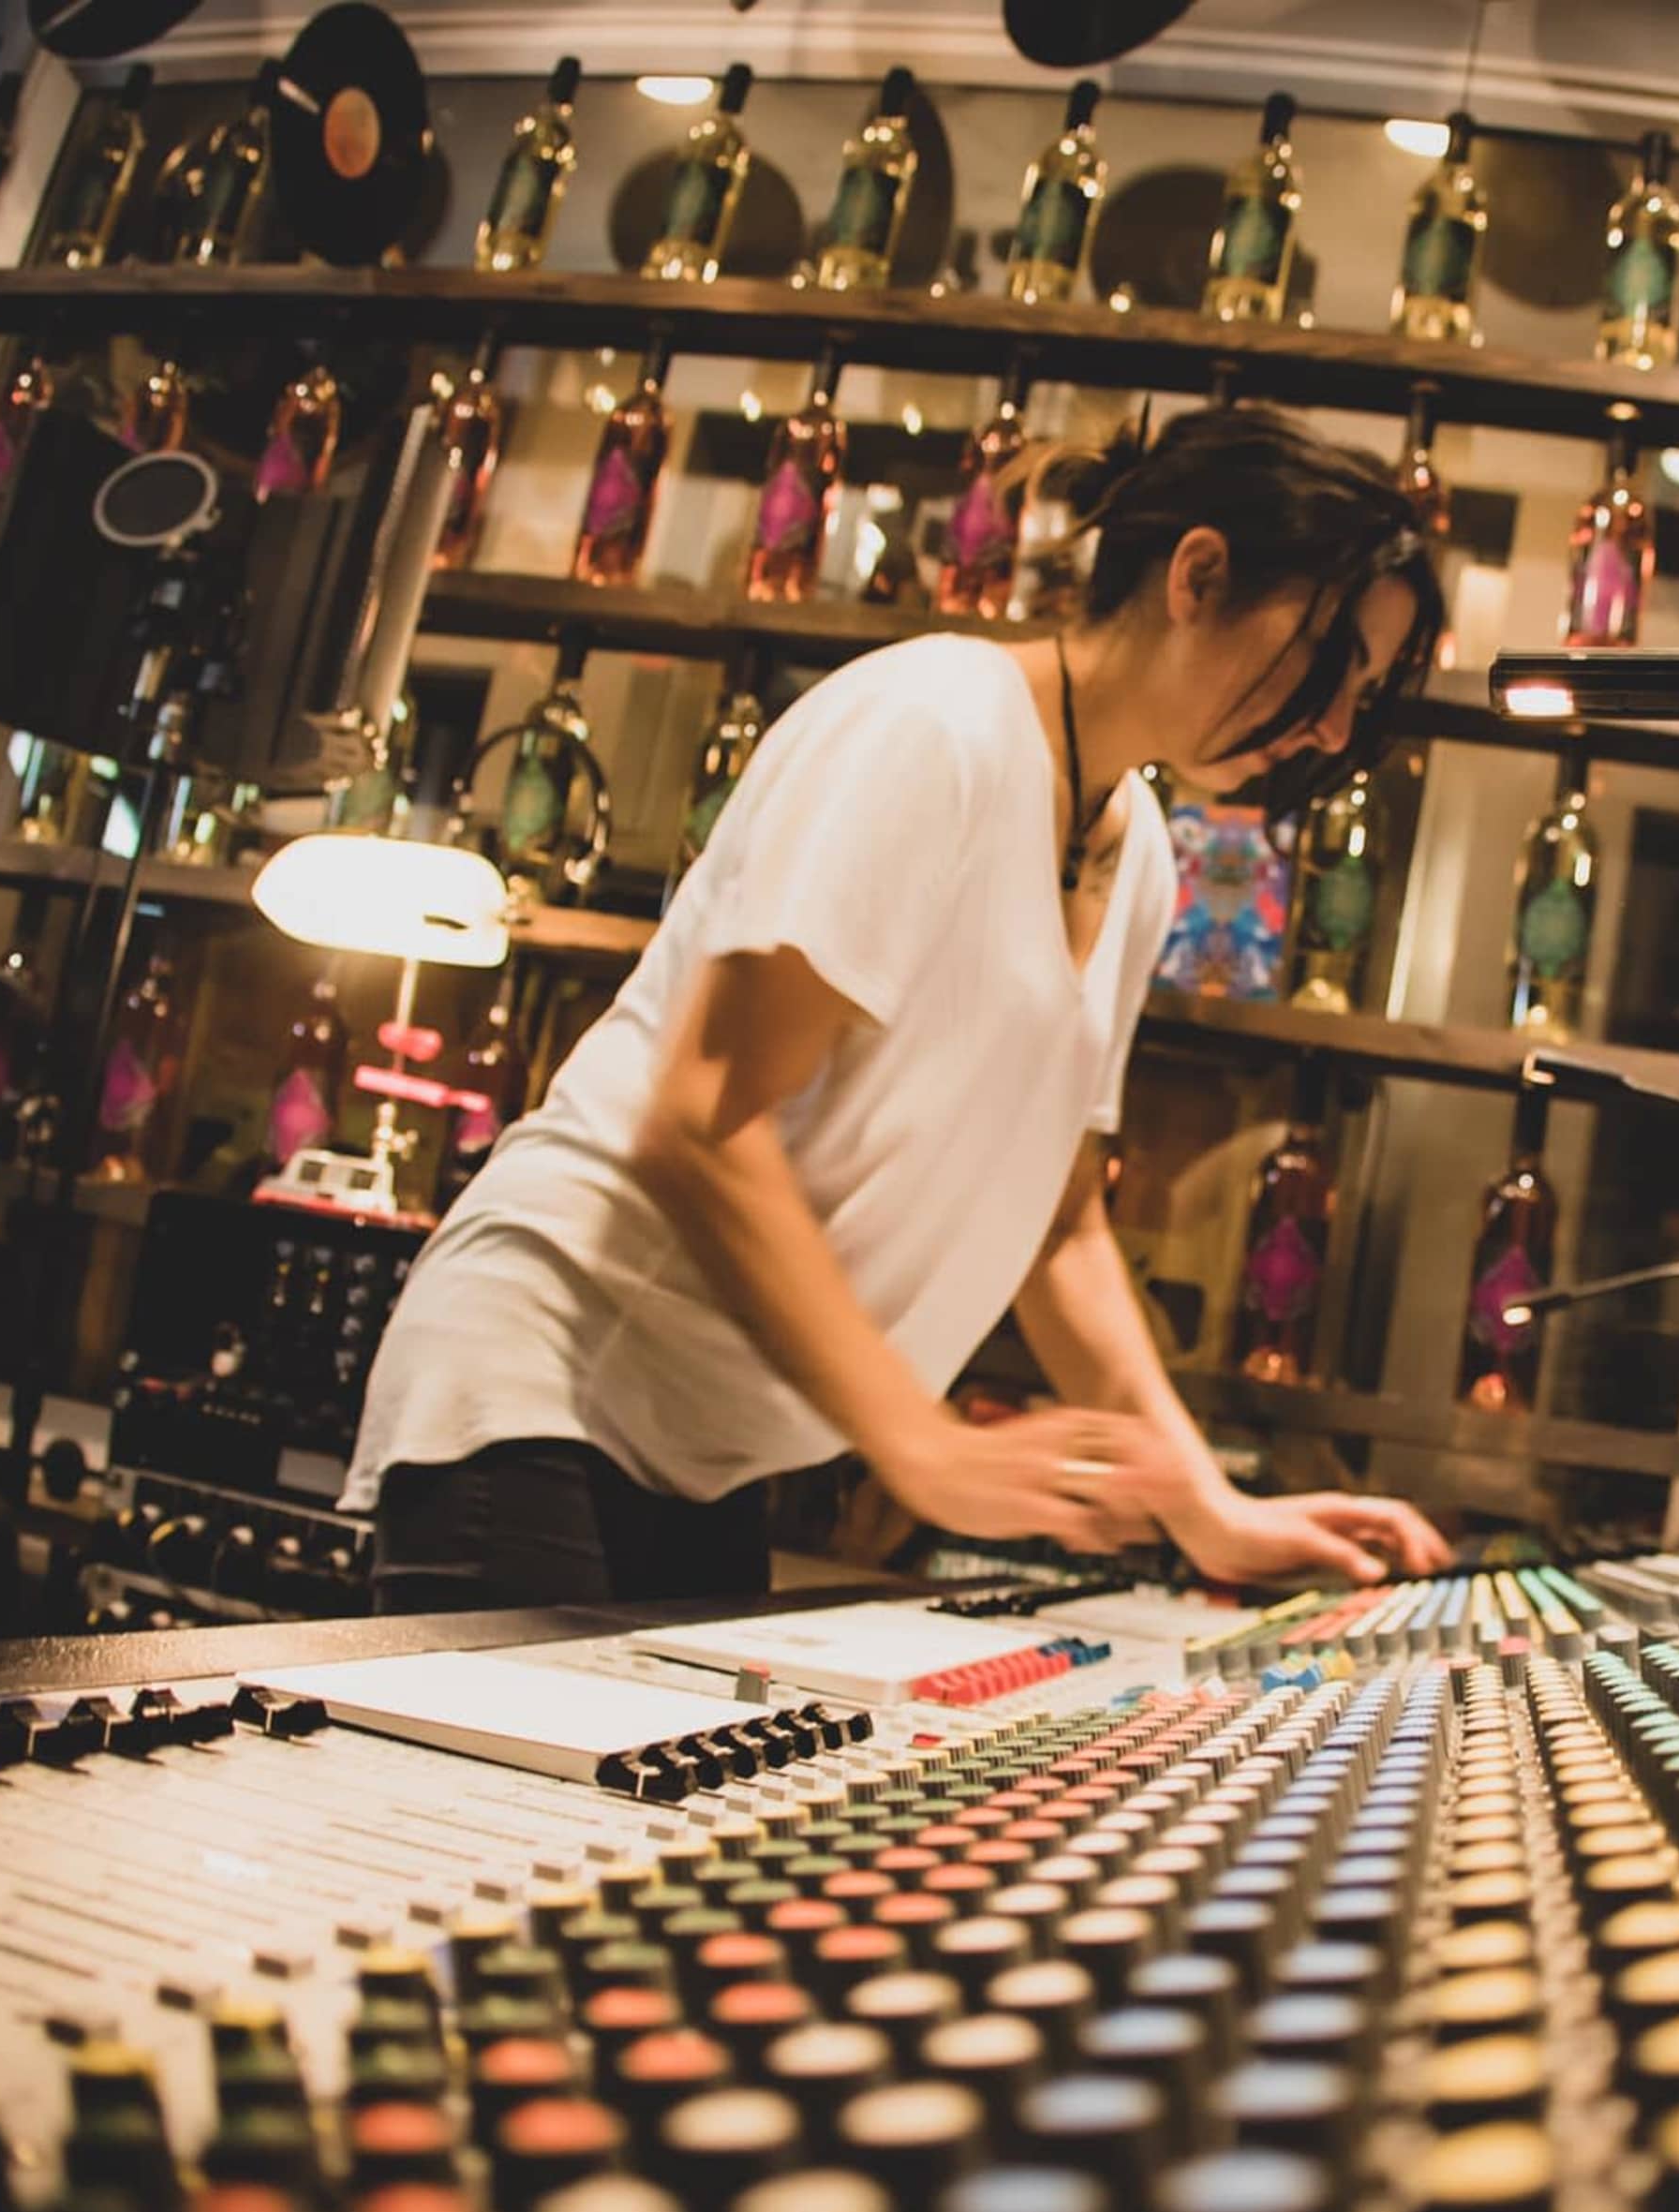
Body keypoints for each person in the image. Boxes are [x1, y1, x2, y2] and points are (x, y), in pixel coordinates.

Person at [345, 406, 1458, 1611]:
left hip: (708, 1446)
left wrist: (1208, 1507)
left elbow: (1063, 1227)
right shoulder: (934, 725)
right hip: (541, 1384)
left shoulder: (1140, 856)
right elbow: (704, 1117)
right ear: (1198, 575)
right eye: (1332, 659)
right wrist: (920, 1446)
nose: (1339, 727)